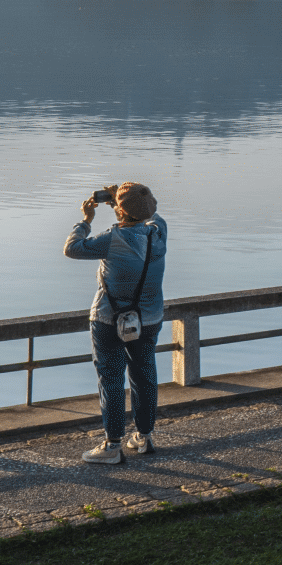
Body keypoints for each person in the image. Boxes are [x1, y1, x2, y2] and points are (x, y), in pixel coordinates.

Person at [64, 183, 169, 465]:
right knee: (144, 374)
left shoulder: (112, 238)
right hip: (148, 319)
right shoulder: (159, 232)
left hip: (109, 319)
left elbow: (72, 249)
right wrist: (121, 204)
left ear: (120, 210)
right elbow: (148, 215)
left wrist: (86, 221)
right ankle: (143, 437)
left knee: (111, 378)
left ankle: (112, 445)